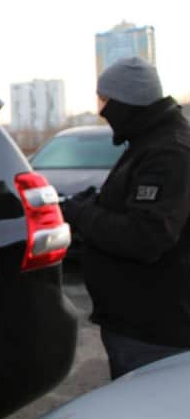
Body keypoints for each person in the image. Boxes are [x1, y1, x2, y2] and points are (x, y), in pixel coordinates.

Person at [61, 57, 190, 379]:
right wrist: (96, 203)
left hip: (155, 331)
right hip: (139, 323)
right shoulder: (150, 142)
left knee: (150, 401)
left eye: (106, 101)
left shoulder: (169, 152)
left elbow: (145, 237)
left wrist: (82, 213)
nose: (102, 112)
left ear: (128, 102)